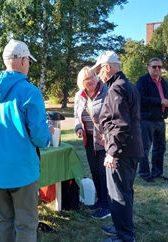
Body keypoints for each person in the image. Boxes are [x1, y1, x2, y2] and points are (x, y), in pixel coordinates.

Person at [0, 39, 53, 242]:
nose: (29, 64)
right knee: (26, 224)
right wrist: (47, 135)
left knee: (4, 221)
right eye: (29, 61)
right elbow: (40, 137)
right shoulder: (30, 91)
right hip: (22, 169)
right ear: (23, 60)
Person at [91, 51, 143, 242]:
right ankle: (121, 227)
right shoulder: (127, 85)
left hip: (122, 151)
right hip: (131, 148)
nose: (98, 75)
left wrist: (112, 151)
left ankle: (125, 236)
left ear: (107, 67)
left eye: (99, 70)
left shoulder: (116, 88)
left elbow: (120, 124)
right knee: (124, 192)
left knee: (119, 194)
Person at [74, 67, 110, 219]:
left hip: (104, 139)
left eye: (93, 76)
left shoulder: (106, 92)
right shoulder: (79, 95)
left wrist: (107, 135)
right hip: (89, 139)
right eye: (87, 79)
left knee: (104, 172)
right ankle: (100, 200)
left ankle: (107, 205)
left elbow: (114, 116)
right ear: (81, 83)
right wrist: (78, 127)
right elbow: (77, 115)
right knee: (94, 171)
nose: (91, 80)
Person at [136, 58, 168, 183]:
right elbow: (140, 98)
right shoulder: (143, 81)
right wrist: (159, 101)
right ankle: (144, 174)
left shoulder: (163, 81)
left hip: (161, 119)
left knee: (160, 148)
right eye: (154, 66)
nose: (157, 69)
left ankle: (157, 173)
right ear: (148, 67)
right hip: (147, 120)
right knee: (145, 148)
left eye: (159, 67)